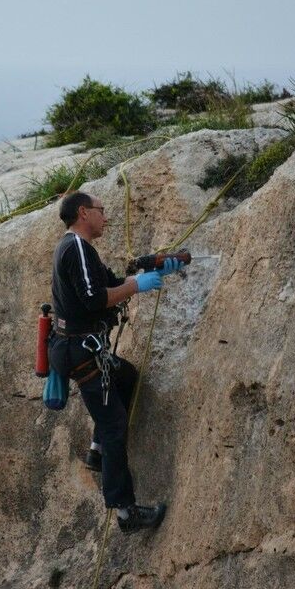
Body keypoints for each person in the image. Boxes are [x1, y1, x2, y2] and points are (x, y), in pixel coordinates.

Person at [48, 191, 182, 534]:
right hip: (82, 353)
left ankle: (97, 452)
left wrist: (155, 267)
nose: (106, 217)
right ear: (83, 212)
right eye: (101, 211)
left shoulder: (78, 249)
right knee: (114, 427)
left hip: (76, 349)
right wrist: (137, 286)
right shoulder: (76, 247)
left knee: (127, 378)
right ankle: (126, 514)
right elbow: (95, 300)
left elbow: (107, 281)